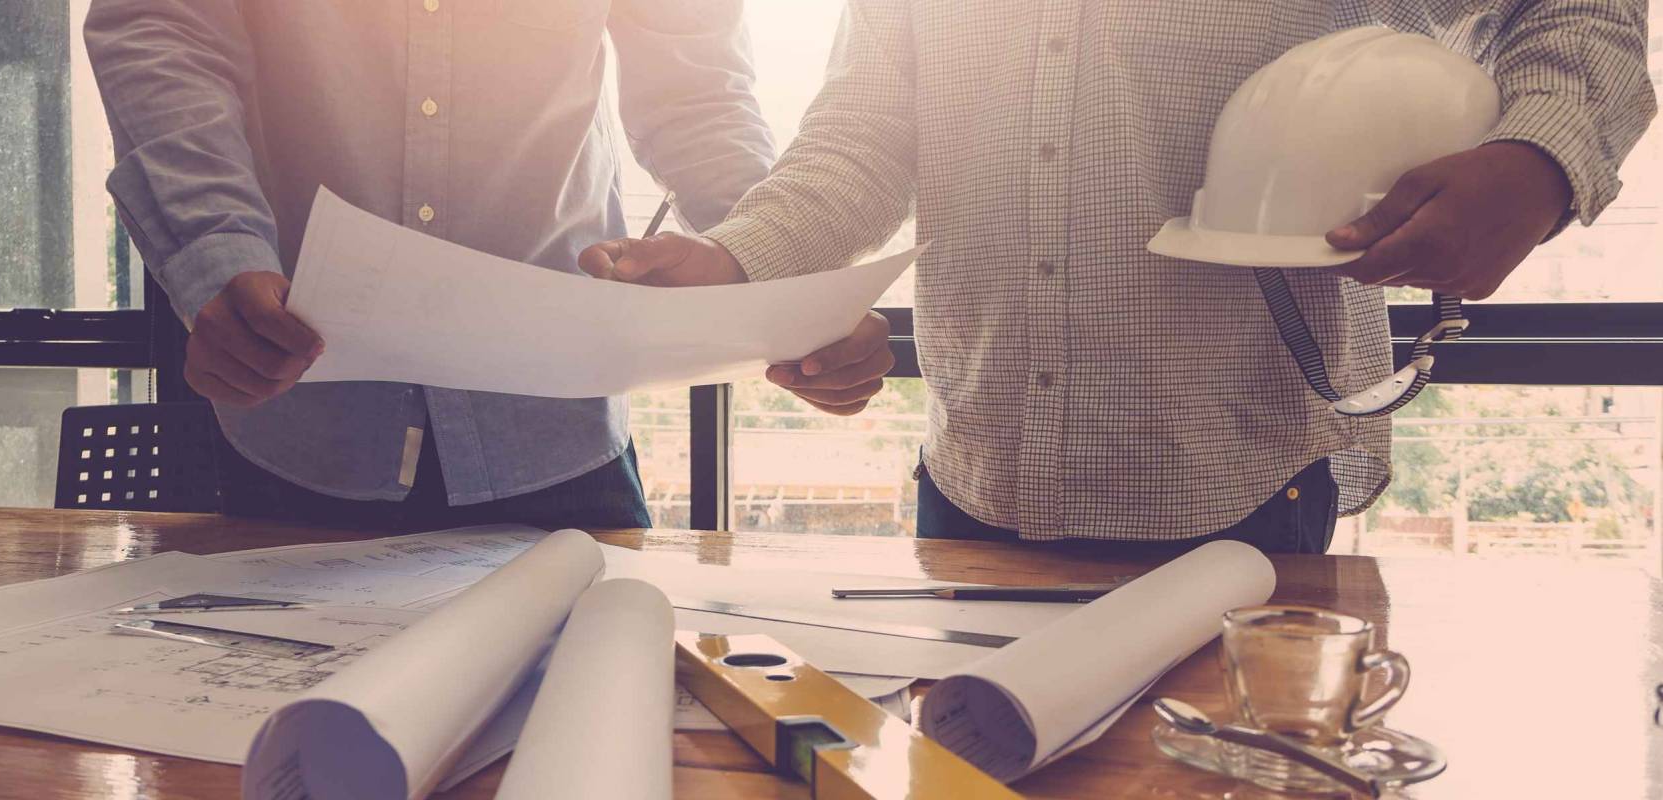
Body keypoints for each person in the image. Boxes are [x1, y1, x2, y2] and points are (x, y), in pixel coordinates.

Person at [580, 2, 1656, 552]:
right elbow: (867, 130)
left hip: (1246, 482)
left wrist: (1538, 163)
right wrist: (741, 260)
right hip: (972, 481)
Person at [85, 1, 775, 530]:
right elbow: (162, 27)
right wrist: (216, 252)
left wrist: (779, 270)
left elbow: (697, 97)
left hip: (558, 431)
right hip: (295, 429)